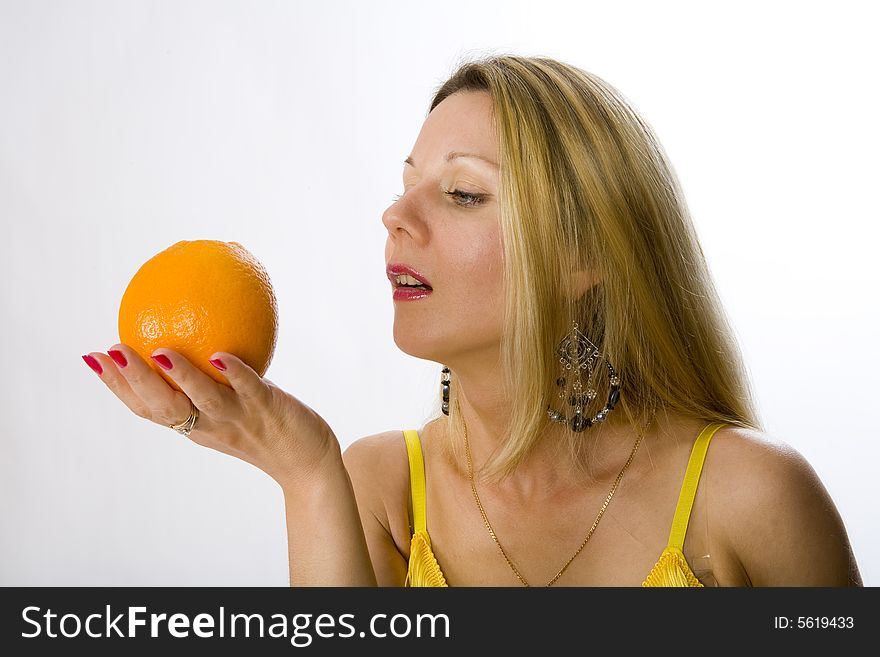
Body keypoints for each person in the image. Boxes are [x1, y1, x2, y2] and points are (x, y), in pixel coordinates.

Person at [84, 54, 862, 587]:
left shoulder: (756, 497)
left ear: (583, 256)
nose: (394, 215)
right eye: (406, 184)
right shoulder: (380, 489)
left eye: (462, 194)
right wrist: (305, 473)